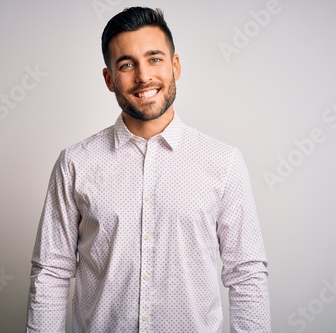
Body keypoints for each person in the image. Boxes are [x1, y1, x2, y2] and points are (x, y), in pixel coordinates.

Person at [27, 7, 270, 333]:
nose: (143, 76)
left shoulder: (222, 162)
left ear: (175, 66)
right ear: (109, 79)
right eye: (127, 64)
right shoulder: (75, 163)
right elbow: (51, 272)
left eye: (154, 58)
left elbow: (246, 272)